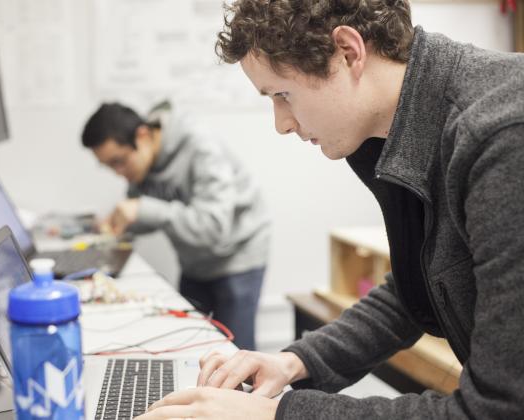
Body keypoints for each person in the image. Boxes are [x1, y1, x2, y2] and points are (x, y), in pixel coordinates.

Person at [137, 0, 524, 419]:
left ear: (347, 52)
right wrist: (295, 362)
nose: (281, 123)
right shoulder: (401, 125)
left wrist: (275, 414)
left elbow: (498, 410)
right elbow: (417, 289)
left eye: (282, 94)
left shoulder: (502, 136)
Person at [81, 101, 270, 350]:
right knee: (193, 347)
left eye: (119, 161)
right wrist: (122, 222)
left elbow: (213, 227)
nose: (118, 172)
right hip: (194, 261)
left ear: (143, 135)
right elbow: (152, 214)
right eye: (109, 166)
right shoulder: (142, 160)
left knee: (236, 356)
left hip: (237, 256)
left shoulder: (200, 146)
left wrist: (142, 209)